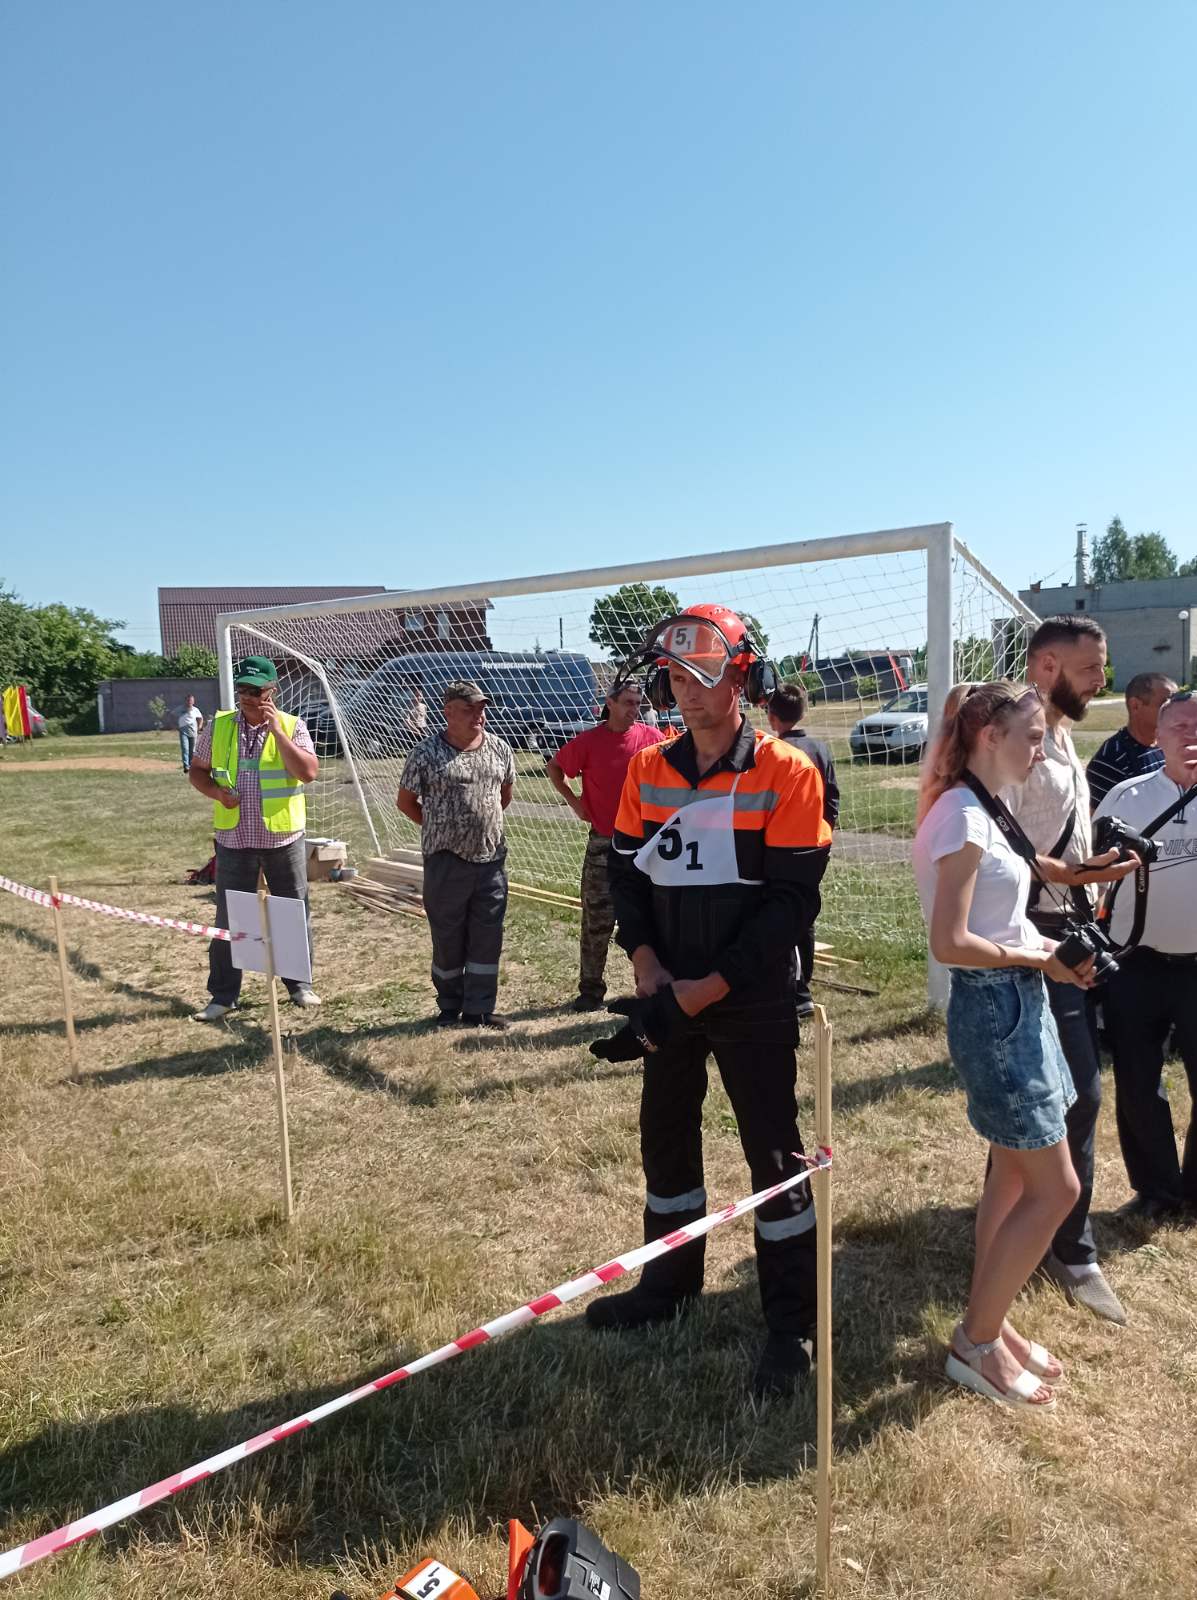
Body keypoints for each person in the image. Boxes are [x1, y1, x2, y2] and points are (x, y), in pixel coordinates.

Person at [585, 604, 832, 1400]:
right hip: (668, 992)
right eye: (675, 678)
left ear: (741, 676)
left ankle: (791, 1323)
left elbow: (789, 903)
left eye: (704, 676)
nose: (688, 693)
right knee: (665, 1135)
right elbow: (626, 874)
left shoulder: (788, 772)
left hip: (750, 997)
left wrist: (706, 988)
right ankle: (667, 1285)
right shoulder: (647, 769)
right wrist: (645, 962)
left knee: (773, 1154)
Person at [913, 680, 1094, 1409]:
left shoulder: (987, 807)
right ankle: (975, 1344)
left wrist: (1048, 953)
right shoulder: (962, 817)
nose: (1041, 751)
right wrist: (1036, 959)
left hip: (1017, 998)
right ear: (989, 735)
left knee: (1014, 1178)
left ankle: (992, 1321)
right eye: (1032, 737)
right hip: (995, 1009)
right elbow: (949, 942)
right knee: (1058, 1188)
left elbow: (1001, 919)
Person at [999, 615, 1129, 1322]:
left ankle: (1020, 1228)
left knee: (1042, 1097)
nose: (1101, 681)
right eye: (1089, 669)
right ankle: (1067, 1247)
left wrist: (1092, 870)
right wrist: (1079, 880)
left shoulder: (1064, 733)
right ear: (1045, 666)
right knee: (1072, 1094)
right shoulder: (1011, 742)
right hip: (1028, 943)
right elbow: (998, 856)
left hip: (1067, 931)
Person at [1095, 691, 1197, 1220]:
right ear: (1157, 737)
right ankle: (1156, 1190)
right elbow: (1091, 871)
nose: (1192, 736)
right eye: (1180, 726)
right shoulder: (1127, 797)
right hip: (1137, 960)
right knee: (1137, 1081)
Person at [188, 657, 321, 1020]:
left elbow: (308, 772)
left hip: (283, 838)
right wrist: (216, 794)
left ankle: (299, 986)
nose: (247, 697)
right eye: (242, 690)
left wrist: (277, 732)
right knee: (230, 919)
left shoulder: (292, 726)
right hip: (234, 839)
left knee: (292, 911)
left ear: (272, 691)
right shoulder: (219, 727)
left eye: (255, 691)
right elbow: (197, 772)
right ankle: (223, 996)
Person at [397, 679, 516, 1031]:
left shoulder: (500, 748)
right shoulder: (425, 753)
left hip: (490, 861)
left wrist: (480, 825)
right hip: (445, 860)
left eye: (481, 709)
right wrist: (440, 826)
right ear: (448, 711)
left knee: (487, 936)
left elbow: (504, 795)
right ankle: (449, 1006)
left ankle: (480, 1008)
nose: (478, 715)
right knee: (448, 937)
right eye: (469, 709)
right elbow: (405, 802)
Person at [546, 681, 664, 1011]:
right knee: (596, 920)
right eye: (627, 703)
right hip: (604, 843)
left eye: (638, 703)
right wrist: (574, 802)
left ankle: (649, 987)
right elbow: (555, 768)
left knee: (647, 919)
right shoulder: (589, 741)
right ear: (609, 703)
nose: (634, 710)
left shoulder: (652, 739)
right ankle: (590, 989)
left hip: (643, 846)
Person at [766, 679, 839, 1017]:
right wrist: (825, 830)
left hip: (782, 848)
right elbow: (833, 797)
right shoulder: (820, 749)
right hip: (816, 846)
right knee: (804, 913)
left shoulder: (773, 752)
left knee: (781, 912)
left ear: (771, 716)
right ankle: (800, 985)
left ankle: (794, 989)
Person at [1086, 672, 1176, 811]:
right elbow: (1097, 819)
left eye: (1175, 703)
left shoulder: (1167, 745)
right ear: (1135, 706)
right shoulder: (1112, 759)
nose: (1174, 710)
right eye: (1165, 704)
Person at [177, 694, 204, 775]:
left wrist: (199, 727)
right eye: (188, 700)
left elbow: (200, 718)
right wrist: (174, 725)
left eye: (191, 700)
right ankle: (186, 766)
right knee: (185, 748)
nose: (189, 702)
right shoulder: (180, 709)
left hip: (193, 731)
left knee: (193, 750)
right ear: (185, 701)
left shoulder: (195, 710)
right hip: (183, 731)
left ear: (193, 701)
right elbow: (171, 714)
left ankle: (192, 765)